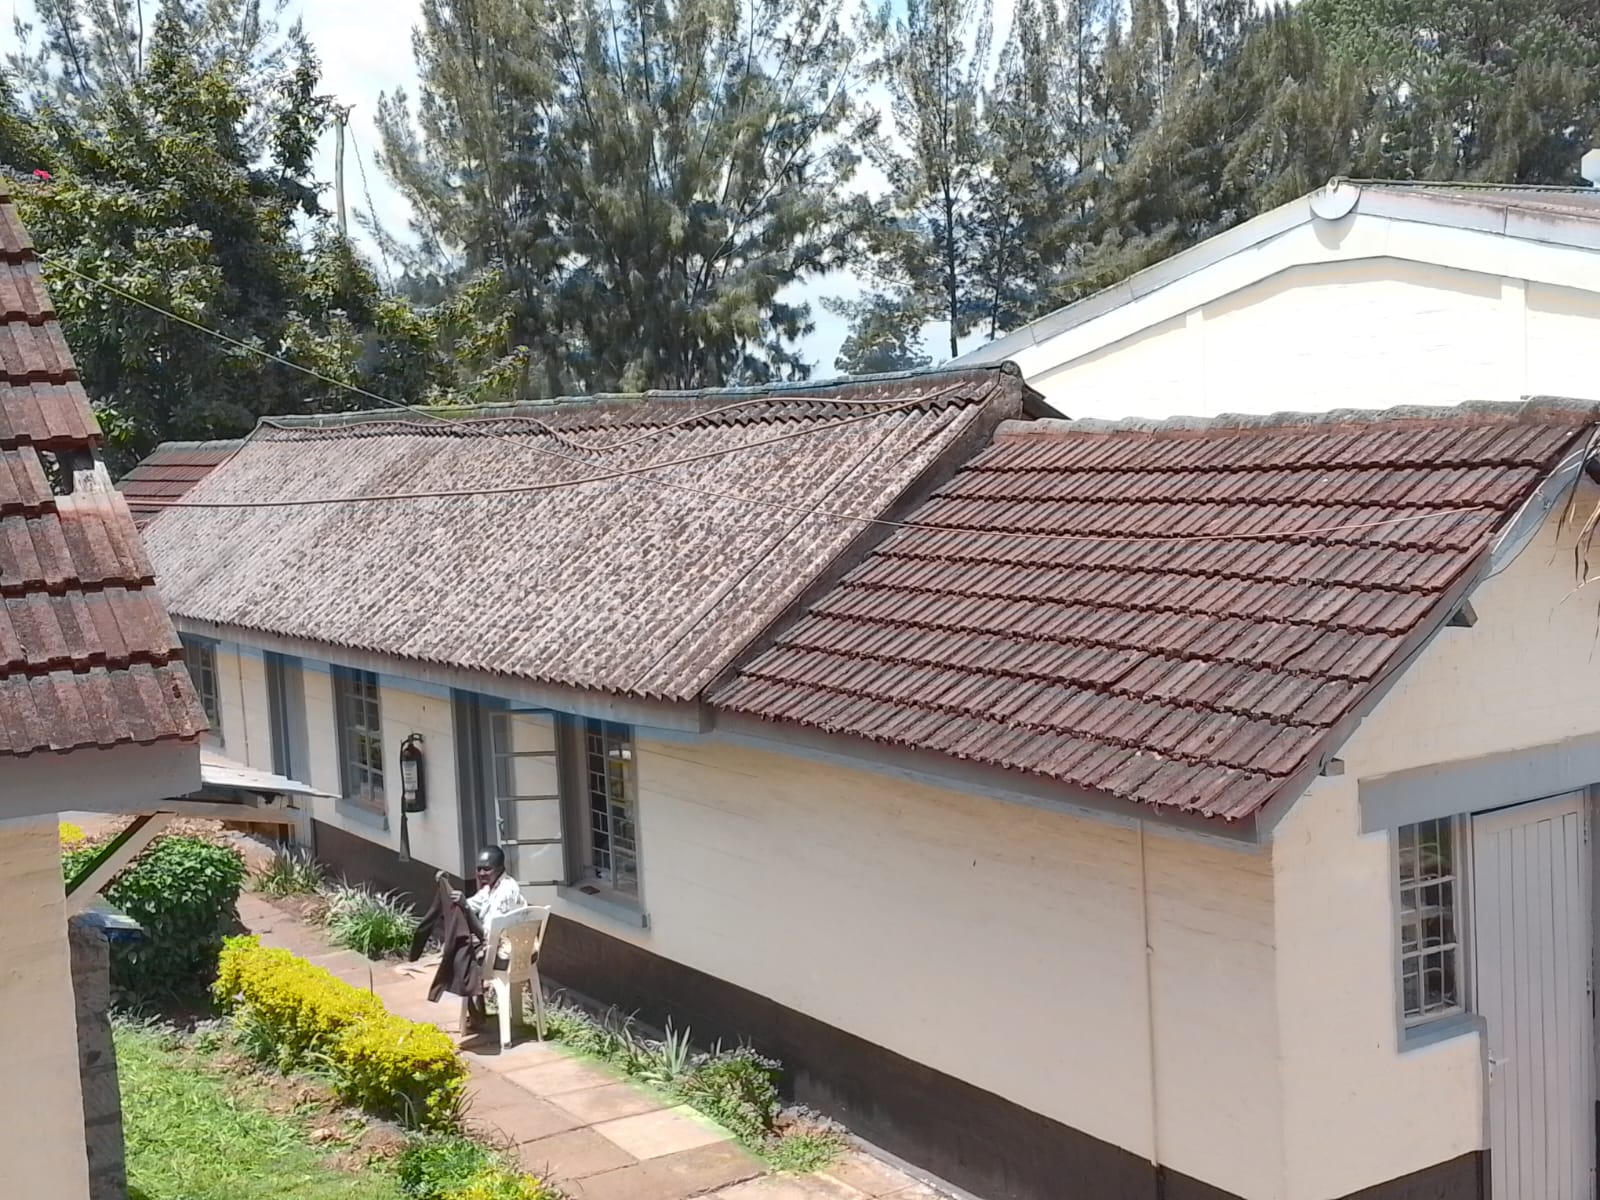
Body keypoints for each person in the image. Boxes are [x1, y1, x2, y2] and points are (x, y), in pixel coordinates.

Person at [453, 846, 525, 1033]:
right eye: (479, 869)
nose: (481, 873)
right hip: (498, 943)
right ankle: (478, 1009)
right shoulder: (490, 888)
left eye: (487, 869)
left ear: (500, 868)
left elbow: (487, 934)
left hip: (507, 951)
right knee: (458, 949)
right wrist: (454, 898)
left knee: (461, 957)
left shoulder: (505, 891)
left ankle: (476, 1013)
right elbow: (472, 903)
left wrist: (465, 909)